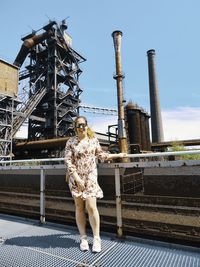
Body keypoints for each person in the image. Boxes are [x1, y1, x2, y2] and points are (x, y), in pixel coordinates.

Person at [64, 116, 126, 253]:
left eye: (83, 125)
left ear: (87, 126)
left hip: (90, 177)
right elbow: (68, 161)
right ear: (75, 127)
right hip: (76, 178)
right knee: (79, 207)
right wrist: (76, 178)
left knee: (91, 207)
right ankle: (83, 238)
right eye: (78, 125)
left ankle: (96, 238)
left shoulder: (93, 140)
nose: (81, 128)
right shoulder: (71, 142)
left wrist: (118, 155)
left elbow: (101, 155)